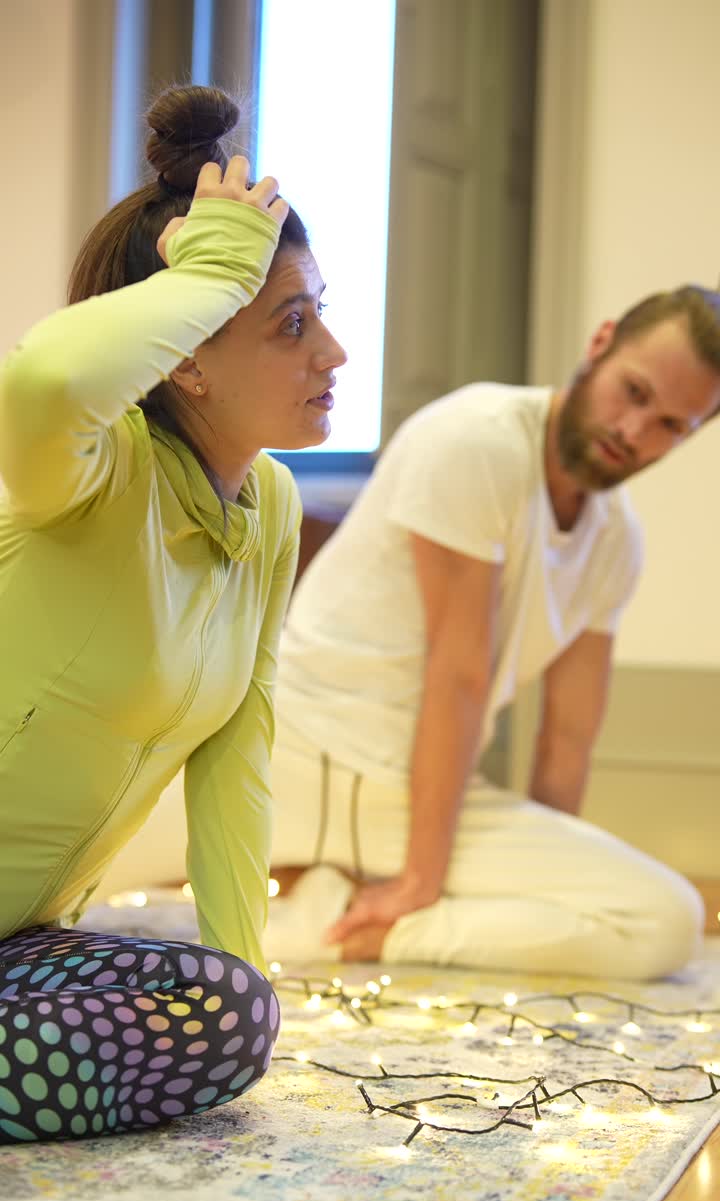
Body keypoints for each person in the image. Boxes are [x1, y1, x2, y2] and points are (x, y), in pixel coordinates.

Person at [0, 84, 346, 1145]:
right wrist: (211, 274)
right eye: (291, 322)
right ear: (186, 352)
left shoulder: (272, 504)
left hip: (20, 940)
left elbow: (238, 761)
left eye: (320, 310)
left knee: (221, 1002)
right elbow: (45, 378)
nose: (332, 354)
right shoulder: (92, 475)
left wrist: (250, 994)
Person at [266, 286, 720, 981]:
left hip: (402, 784)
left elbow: (568, 736)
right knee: (663, 921)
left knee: (666, 921)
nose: (634, 431)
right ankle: (348, 918)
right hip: (309, 752)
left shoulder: (616, 537)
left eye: (670, 425)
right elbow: (460, 677)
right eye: (633, 391)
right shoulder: (476, 438)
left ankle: (347, 914)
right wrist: (424, 877)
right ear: (600, 344)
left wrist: (551, 864)